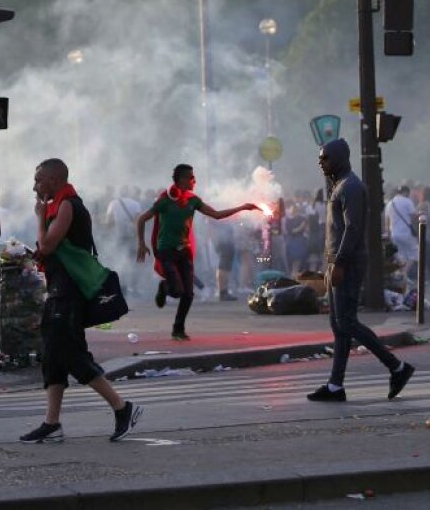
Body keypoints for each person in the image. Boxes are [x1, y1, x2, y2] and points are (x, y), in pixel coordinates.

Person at [19, 158, 142, 444]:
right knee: (52, 355)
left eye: (39, 179)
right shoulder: (57, 205)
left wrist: (39, 217)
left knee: (71, 352)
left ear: (53, 179)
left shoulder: (67, 205)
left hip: (70, 292)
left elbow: (47, 245)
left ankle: (123, 408)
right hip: (59, 290)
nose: (34, 185)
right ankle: (52, 423)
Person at [307, 140, 415, 402]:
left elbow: (353, 229)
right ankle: (335, 385)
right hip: (337, 260)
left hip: (348, 261)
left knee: (347, 322)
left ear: (340, 158)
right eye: (321, 158)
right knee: (339, 324)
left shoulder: (351, 186)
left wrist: (341, 262)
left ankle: (397, 367)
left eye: (326, 158)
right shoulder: (340, 185)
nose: (321, 163)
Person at [135, 164, 259, 340]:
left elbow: (216, 215)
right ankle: (164, 287)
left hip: (184, 251)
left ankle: (178, 329)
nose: (194, 180)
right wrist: (141, 243)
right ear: (181, 179)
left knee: (188, 294)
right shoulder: (164, 200)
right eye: (191, 177)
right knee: (177, 291)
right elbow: (142, 219)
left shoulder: (193, 201)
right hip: (166, 251)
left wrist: (242, 208)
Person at [384, 185, 418, 278]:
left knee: (401, 256)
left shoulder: (390, 203)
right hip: (406, 233)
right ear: (406, 192)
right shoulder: (407, 201)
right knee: (414, 254)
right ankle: (403, 274)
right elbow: (413, 217)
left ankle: (402, 275)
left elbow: (387, 222)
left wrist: (388, 234)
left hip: (394, 234)